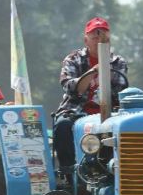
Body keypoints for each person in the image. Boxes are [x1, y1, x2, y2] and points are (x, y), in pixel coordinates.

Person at [53, 17, 128, 170]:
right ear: (86, 40)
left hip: (109, 113)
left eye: (104, 36)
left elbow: (119, 92)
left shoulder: (118, 62)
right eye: (95, 36)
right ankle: (68, 172)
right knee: (62, 125)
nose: (99, 39)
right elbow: (71, 89)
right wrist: (93, 71)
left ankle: (117, 170)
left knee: (127, 129)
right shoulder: (73, 59)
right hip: (76, 110)